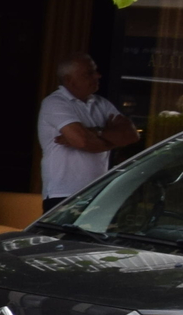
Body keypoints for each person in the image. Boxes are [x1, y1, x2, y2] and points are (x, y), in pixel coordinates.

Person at [38, 53, 138, 205]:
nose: (98, 76)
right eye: (89, 73)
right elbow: (82, 141)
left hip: (97, 193)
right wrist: (113, 141)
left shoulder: (101, 103)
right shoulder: (55, 103)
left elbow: (132, 135)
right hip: (64, 194)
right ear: (69, 80)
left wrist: (96, 132)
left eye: (95, 71)